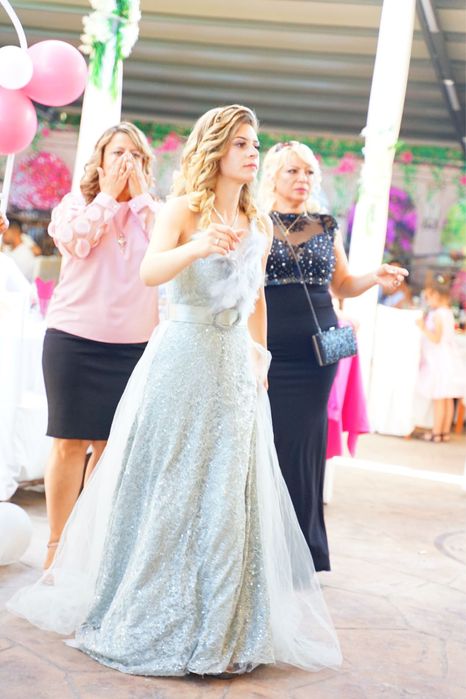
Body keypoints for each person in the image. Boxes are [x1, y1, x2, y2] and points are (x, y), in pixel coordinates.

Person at [7, 105, 342, 677]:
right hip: (181, 357)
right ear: (216, 149)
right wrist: (198, 247)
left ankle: (223, 627)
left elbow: (256, 299)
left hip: (233, 364)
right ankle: (152, 612)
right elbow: (151, 271)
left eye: (255, 143)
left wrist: (259, 358)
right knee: (171, 483)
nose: (253, 152)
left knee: (227, 490)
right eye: (242, 143)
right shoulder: (183, 209)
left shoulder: (259, 223)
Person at [258, 140, 407, 571]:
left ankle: (304, 552)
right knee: (272, 442)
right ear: (273, 176)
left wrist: (374, 277)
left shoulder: (325, 225)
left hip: (318, 353)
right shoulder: (257, 222)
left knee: (306, 445)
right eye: (292, 171)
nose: (302, 179)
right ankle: (266, 547)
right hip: (271, 346)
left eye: (308, 172)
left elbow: (341, 284)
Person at [40, 122, 159, 569]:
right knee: (69, 443)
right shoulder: (76, 204)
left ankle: (86, 547)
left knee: (110, 450)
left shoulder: (156, 213)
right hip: (73, 340)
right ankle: (56, 546)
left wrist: (139, 200)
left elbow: (168, 254)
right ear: (101, 161)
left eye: (135, 154)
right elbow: (76, 242)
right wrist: (108, 198)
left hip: (133, 348)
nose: (127, 161)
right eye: (118, 153)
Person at [416, 276, 465, 442]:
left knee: (439, 398)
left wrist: (423, 328)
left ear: (437, 295)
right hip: (449, 359)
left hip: (438, 360)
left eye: (428, 297)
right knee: (447, 398)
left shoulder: (437, 314)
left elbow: (436, 339)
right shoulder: (448, 312)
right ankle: (445, 433)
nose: (427, 301)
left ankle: (436, 432)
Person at [0, 217, 36, 282]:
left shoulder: (24, 254)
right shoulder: (7, 250)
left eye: (4, 233)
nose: (2, 237)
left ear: (15, 231)